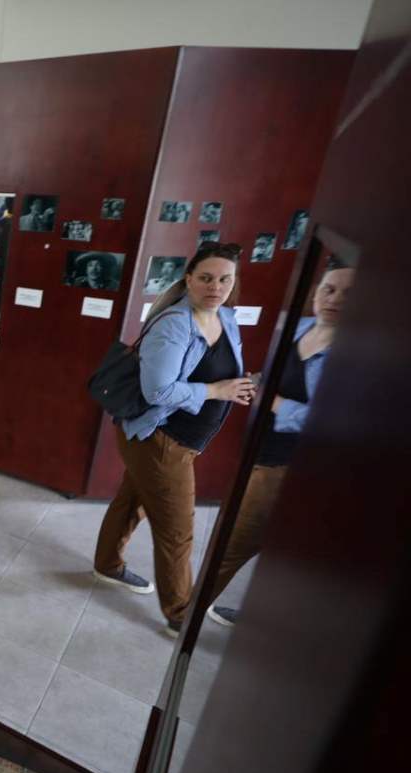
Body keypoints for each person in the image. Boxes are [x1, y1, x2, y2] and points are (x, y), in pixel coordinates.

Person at [92, 242, 255, 636]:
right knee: (178, 530)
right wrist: (217, 392)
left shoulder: (227, 318)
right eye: (205, 278)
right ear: (188, 279)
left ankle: (106, 564)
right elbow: (158, 392)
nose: (215, 286)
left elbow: (222, 369)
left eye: (224, 279)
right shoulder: (174, 325)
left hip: (179, 441)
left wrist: (240, 386)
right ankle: (179, 614)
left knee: (133, 499)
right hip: (160, 440)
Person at [206, 262, 355, 626]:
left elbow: (335, 422)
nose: (334, 299)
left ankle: (185, 615)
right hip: (262, 452)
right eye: (329, 289)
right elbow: (276, 377)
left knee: (232, 544)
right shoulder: (300, 327)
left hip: (292, 465)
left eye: (350, 294)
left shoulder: (358, 355)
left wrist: (272, 401)